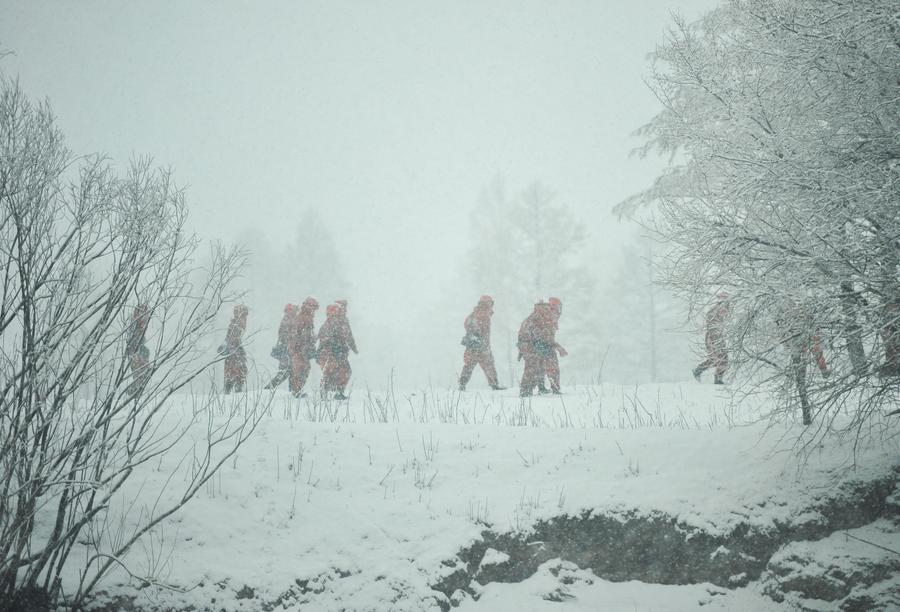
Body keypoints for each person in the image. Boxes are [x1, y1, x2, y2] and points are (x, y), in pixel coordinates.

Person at [458, 295, 504, 391]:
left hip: (473, 346)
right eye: (491, 303)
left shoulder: (474, 314)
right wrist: (478, 336)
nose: (492, 305)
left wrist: (473, 336)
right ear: (488, 303)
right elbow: (477, 328)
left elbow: (466, 323)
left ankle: (462, 385)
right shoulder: (483, 314)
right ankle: (494, 384)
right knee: (489, 365)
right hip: (481, 346)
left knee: (469, 365)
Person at [518, 301, 559, 397]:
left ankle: (532, 389)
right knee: (533, 368)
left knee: (537, 367)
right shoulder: (536, 319)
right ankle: (526, 391)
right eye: (545, 309)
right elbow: (543, 337)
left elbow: (544, 337)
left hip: (531, 347)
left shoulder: (535, 318)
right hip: (531, 348)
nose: (547, 311)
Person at [317, 302, 355, 400]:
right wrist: (330, 352)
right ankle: (325, 393)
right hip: (330, 353)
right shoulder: (329, 324)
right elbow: (324, 340)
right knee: (329, 372)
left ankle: (338, 392)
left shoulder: (340, 322)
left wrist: (347, 347)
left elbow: (346, 336)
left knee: (345, 371)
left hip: (338, 352)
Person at [693, 292, 731, 384]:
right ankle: (718, 379)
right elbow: (715, 325)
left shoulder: (717, 309)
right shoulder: (720, 309)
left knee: (715, 358)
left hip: (715, 336)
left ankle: (699, 370)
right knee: (722, 357)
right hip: (714, 337)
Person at [288, 297, 319, 397]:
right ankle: (296, 391)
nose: (314, 311)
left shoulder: (304, 317)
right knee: (301, 368)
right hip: (299, 348)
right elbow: (299, 334)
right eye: (313, 308)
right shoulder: (304, 318)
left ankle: (296, 390)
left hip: (299, 348)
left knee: (302, 368)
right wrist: (305, 344)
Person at [265, 303, 297, 390]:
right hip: (286, 351)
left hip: (287, 350)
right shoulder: (287, 320)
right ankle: (268, 388)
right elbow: (285, 336)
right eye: (292, 310)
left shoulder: (289, 320)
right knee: (284, 373)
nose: (294, 312)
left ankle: (293, 391)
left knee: (291, 372)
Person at [125, 303, 151, 393]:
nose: (146, 320)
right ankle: (133, 391)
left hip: (137, 353)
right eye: (145, 317)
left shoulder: (139, 327)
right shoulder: (134, 326)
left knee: (143, 372)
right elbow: (132, 345)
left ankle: (136, 390)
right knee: (140, 373)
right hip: (134, 353)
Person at [222, 304, 249, 393]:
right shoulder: (236, 323)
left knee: (236, 371)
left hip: (234, 349)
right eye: (244, 314)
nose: (245, 317)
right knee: (237, 370)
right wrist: (228, 345)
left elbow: (229, 337)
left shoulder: (237, 322)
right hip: (234, 349)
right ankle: (234, 390)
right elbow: (231, 337)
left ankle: (232, 390)